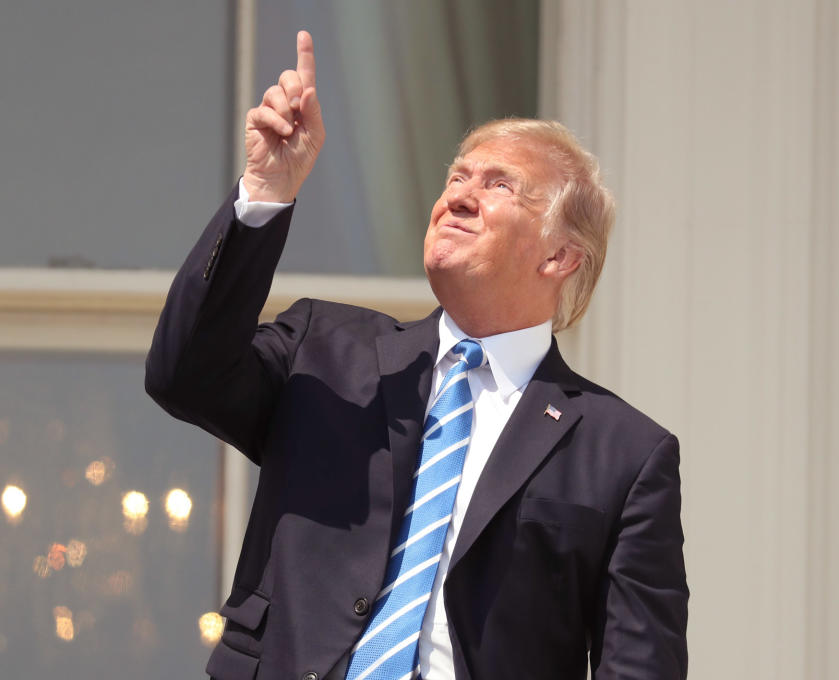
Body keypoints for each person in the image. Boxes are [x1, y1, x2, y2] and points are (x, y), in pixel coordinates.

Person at [146, 30, 688, 680]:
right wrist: (266, 189)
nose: (457, 195)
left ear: (559, 255)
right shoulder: (324, 350)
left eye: (499, 186)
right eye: (456, 177)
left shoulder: (623, 454)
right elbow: (184, 374)